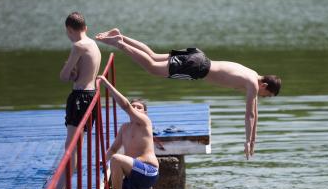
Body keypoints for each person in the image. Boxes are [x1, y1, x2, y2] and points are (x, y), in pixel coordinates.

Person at [95, 28, 282, 160]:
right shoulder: (253, 84)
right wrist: (247, 141)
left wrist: (252, 141)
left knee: (152, 55)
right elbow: (249, 114)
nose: (263, 97)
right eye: (267, 94)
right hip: (197, 68)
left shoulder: (251, 73)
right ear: (264, 85)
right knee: (152, 68)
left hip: (199, 57)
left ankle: (120, 36)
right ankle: (119, 43)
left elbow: (255, 114)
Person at [36, 12, 101, 189]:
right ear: (85, 28)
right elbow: (82, 74)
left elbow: (63, 77)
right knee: (74, 147)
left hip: (79, 97)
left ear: (69, 30)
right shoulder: (93, 44)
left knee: (70, 148)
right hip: (92, 96)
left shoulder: (78, 46)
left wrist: (68, 69)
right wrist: (73, 73)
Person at [97, 75, 159, 189]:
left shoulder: (145, 122)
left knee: (117, 159)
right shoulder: (124, 127)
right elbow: (113, 148)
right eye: (133, 106)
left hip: (148, 171)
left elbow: (125, 105)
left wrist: (106, 84)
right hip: (132, 174)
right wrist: (102, 162)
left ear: (145, 113)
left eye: (139, 107)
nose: (135, 108)